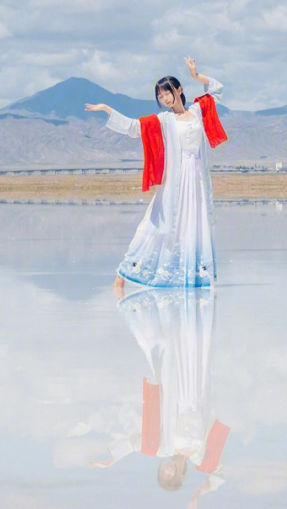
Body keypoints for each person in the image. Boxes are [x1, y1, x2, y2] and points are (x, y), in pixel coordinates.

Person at [85, 57, 226, 289]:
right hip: (176, 181)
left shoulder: (199, 110)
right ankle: (123, 274)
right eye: (160, 96)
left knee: (193, 225)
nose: (164, 98)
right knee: (158, 224)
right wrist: (107, 109)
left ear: (178, 90)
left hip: (197, 179)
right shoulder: (164, 120)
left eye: (167, 92)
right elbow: (133, 127)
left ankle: (189, 276)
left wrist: (196, 76)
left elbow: (217, 90)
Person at [88, 287, 229, 506]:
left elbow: (134, 444)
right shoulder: (200, 457)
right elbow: (220, 475)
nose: (166, 471)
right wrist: (198, 493)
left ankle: (171, 305)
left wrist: (109, 461)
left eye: (162, 474)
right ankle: (200, 305)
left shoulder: (162, 447)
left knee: (176, 349)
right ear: (181, 476)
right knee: (199, 347)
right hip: (200, 390)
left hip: (176, 391)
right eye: (170, 477)